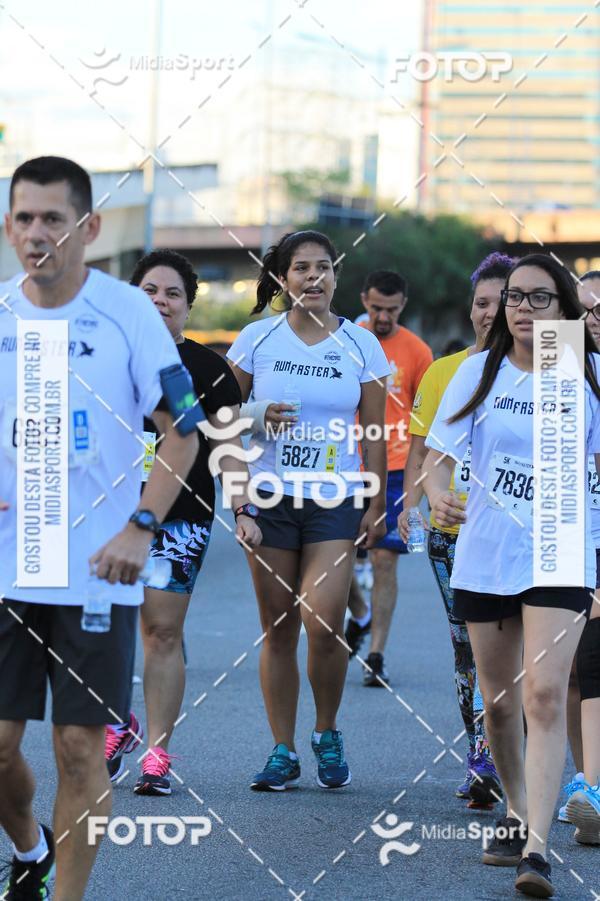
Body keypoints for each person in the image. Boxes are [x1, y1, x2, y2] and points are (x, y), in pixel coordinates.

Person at [0, 157, 200, 900]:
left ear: (88, 228)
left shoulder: (128, 313)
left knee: (80, 748)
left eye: (53, 219)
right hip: (10, 564)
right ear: (8, 228)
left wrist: (142, 526)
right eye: (24, 218)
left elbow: (184, 431)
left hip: (97, 570)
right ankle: (31, 850)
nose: (37, 233)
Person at [422, 253, 600, 898]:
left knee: (544, 697)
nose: (524, 309)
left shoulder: (584, 372)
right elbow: (438, 457)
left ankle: (537, 849)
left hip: (561, 550)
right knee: (499, 705)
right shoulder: (479, 372)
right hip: (487, 552)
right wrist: (437, 494)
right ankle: (518, 807)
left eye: (539, 297)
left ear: (564, 308)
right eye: (515, 298)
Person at [227, 230, 389, 790]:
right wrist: (256, 419)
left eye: (324, 267)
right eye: (301, 268)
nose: (313, 277)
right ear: (282, 278)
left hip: (333, 499)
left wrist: (375, 501)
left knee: (324, 622)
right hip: (269, 499)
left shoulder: (361, 345)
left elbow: (373, 432)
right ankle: (283, 749)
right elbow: (219, 419)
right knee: (278, 629)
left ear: (336, 277)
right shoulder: (257, 338)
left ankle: (326, 730)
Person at [103, 249, 261, 796]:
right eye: (149, 291)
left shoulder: (208, 369)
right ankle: (118, 722)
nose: (160, 301)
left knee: (162, 631)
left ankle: (157, 752)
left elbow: (230, 447)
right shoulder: (104, 358)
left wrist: (243, 508)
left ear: (187, 307)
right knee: (108, 628)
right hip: (107, 515)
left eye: (173, 294)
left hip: (182, 519)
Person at [398, 252, 515, 807]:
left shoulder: (549, 370)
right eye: (482, 302)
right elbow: (422, 450)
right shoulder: (447, 372)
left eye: (504, 301)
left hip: (519, 533)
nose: (491, 312)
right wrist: (413, 503)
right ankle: (482, 756)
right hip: (453, 531)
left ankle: (511, 755)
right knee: (468, 648)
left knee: (518, 650)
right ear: (471, 309)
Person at [345, 270, 433, 684]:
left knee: (383, 559)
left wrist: (421, 481)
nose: (383, 316)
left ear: (403, 306)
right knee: (335, 556)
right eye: (376, 307)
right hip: (347, 463)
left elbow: (425, 422)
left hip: (396, 466)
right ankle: (360, 613)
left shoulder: (417, 352)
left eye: (392, 310)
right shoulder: (345, 340)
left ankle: (376, 654)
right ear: (364, 299)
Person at [558, 270, 600, 843]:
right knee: (570, 672)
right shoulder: (558, 366)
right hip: (566, 536)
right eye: (583, 309)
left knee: (593, 661)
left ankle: (593, 783)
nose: (593, 319)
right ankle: (586, 781)